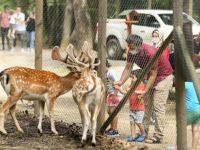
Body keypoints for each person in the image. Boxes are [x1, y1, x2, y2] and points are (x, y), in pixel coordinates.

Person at [114, 34, 173, 143]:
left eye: (131, 47)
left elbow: (153, 74)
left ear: (139, 45)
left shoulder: (150, 52)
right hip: (151, 77)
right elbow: (128, 68)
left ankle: (158, 136)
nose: (129, 49)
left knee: (158, 106)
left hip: (163, 77)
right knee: (146, 106)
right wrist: (120, 81)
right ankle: (143, 132)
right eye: (129, 46)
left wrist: (145, 90)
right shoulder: (132, 52)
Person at [116, 67, 146, 142]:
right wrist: (119, 89)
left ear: (138, 78)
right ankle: (133, 135)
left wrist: (136, 92)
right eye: (131, 77)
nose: (131, 79)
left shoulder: (142, 85)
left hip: (139, 109)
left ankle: (143, 134)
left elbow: (140, 94)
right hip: (132, 108)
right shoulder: (131, 85)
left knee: (138, 122)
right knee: (132, 122)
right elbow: (126, 93)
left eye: (133, 77)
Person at [105, 60, 123, 137]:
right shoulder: (105, 73)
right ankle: (111, 128)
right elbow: (107, 85)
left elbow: (117, 83)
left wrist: (115, 95)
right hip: (110, 94)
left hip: (116, 94)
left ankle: (115, 130)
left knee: (113, 112)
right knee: (109, 111)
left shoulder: (111, 72)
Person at [185, 81, 200, 150]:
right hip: (198, 109)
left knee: (180, 127)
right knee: (196, 130)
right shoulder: (197, 84)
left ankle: (177, 147)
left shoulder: (185, 84)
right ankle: (193, 148)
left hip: (190, 109)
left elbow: (175, 91)